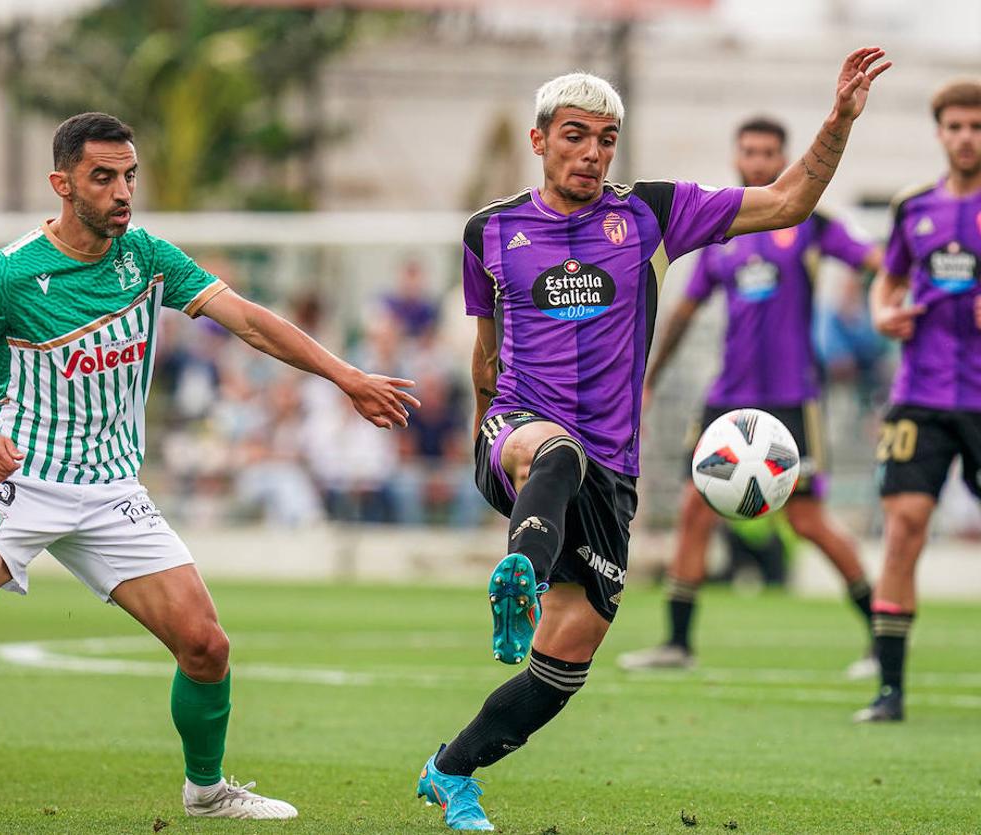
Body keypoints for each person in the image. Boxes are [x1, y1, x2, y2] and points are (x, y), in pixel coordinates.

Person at [0, 113, 418, 817]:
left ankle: (206, 791)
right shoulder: (8, 275)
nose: (123, 192)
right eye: (103, 177)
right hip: (19, 478)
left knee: (206, 644)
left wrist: (346, 376)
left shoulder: (145, 256)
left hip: (110, 490)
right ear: (62, 184)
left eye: (130, 176)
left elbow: (248, 320)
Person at [416, 48, 890, 831]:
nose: (593, 152)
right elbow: (487, 352)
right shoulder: (489, 231)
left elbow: (788, 200)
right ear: (539, 141)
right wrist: (483, 445)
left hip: (611, 468)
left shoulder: (651, 215)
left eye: (607, 138)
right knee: (556, 451)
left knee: (564, 665)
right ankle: (520, 579)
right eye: (575, 136)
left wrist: (837, 121)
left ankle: (451, 771)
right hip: (521, 437)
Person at [616, 116, 883, 677]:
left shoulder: (811, 223)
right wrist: (648, 378)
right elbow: (686, 312)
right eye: (749, 152)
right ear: (737, 158)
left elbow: (875, 260)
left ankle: (882, 635)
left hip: (791, 400)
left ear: (784, 158)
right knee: (695, 511)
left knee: (807, 522)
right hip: (727, 402)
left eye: (769, 154)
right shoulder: (722, 236)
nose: (758, 162)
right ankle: (678, 643)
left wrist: (899, 291)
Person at [855, 79, 981, 723]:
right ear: (940, 132)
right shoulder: (914, 206)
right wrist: (882, 314)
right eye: (955, 126)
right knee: (903, 531)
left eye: (976, 127)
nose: (966, 137)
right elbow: (892, 278)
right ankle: (889, 692)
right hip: (920, 396)